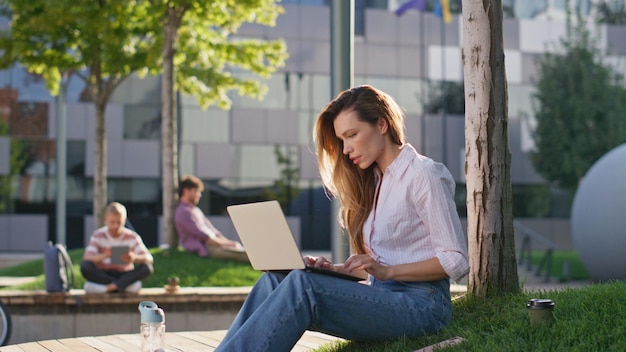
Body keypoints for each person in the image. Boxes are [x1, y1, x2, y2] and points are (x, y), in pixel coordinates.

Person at [215, 85, 470, 351]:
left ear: (382, 124)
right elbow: (375, 266)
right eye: (342, 140)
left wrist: (389, 271)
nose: (346, 149)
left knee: (303, 287)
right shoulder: (373, 183)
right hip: (384, 295)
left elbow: (456, 259)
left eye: (352, 135)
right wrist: (335, 271)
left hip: (424, 305)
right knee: (274, 280)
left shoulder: (424, 174)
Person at [80, 202, 154, 294]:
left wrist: (134, 257)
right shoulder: (97, 235)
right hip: (104, 274)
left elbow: (149, 258)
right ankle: (119, 286)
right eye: (112, 222)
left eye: (119, 222)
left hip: (124, 274)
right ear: (105, 220)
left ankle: (108, 288)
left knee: (146, 268)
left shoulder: (132, 237)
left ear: (124, 220)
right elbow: (87, 258)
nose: (115, 226)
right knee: (85, 266)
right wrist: (104, 255)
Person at [174, 175, 248, 262]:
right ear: (186, 191)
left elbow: (213, 230)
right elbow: (204, 237)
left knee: (239, 248)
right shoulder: (183, 212)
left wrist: (228, 242)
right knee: (245, 255)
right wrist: (228, 244)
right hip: (207, 247)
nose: (199, 195)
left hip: (215, 244)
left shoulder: (195, 210)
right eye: (196, 192)